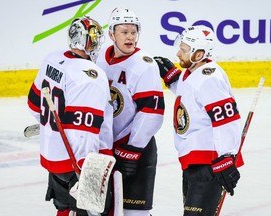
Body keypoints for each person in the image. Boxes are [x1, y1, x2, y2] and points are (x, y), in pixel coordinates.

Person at [27, 16, 114, 216]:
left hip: (52, 156)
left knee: (64, 209)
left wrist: (51, 130)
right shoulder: (90, 75)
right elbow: (83, 133)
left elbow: (33, 105)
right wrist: (88, 173)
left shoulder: (52, 59)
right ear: (89, 41)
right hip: (75, 162)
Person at [154, 25, 244, 216]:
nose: (178, 53)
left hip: (209, 162)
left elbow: (227, 121)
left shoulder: (210, 79)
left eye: (184, 50)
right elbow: (192, 96)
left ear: (199, 54)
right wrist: (173, 79)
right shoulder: (192, 72)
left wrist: (226, 158)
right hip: (194, 159)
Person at [96, 7, 165, 216]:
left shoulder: (144, 65)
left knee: (133, 213)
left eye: (134, 32)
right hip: (105, 148)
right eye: (124, 32)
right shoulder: (98, 59)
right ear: (111, 34)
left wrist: (132, 149)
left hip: (137, 150)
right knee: (101, 210)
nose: (130, 37)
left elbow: (152, 112)